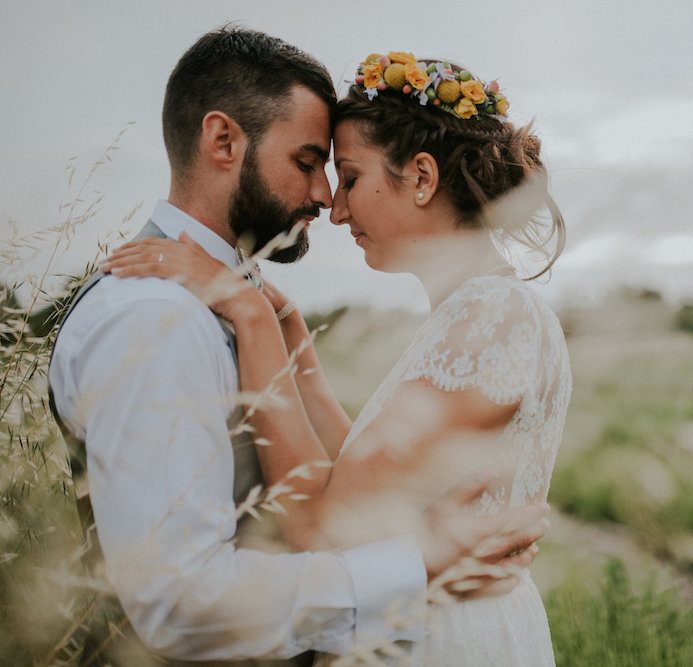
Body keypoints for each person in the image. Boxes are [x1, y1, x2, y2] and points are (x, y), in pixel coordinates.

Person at [48, 28, 547, 665]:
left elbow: (336, 504)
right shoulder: (153, 315)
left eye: (342, 174)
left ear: (422, 178)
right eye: (309, 164)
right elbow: (179, 601)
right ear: (223, 140)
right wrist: (415, 565)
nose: (325, 201)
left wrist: (263, 323)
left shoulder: (483, 313)